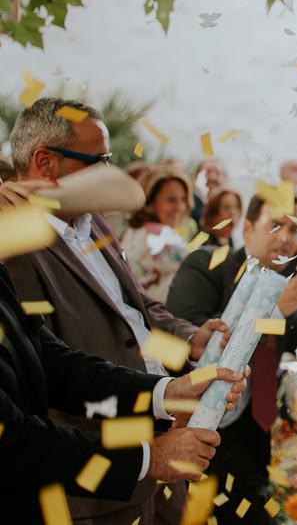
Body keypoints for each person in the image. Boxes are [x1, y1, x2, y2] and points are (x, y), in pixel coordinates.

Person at [4, 97, 229, 524]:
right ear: (45, 163)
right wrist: (142, 455)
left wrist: (169, 382)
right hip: (94, 456)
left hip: (155, 428)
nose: (111, 172)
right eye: (98, 160)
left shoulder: (98, 224)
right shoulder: (16, 246)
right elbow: (38, 382)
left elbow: (132, 311)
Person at [166, 193, 297, 524]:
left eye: (293, 230)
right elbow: (189, 352)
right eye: (275, 225)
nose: (284, 237)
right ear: (248, 230)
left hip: (250, 433)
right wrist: (276, 311)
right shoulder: (207, 265)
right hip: (188, 427)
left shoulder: (286, 281)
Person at [121, 168, 195, 301]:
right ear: (149, 203)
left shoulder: (133, 232)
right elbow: (198, 262)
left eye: (183, 200)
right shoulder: (157, 233)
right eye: (171, 200)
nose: (180, 207)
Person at [191, 157, 228, 227]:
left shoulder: (227, 208)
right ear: (195, 178)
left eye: (217, 173)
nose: (212, 177)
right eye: (207, 172)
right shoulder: (190, 204)